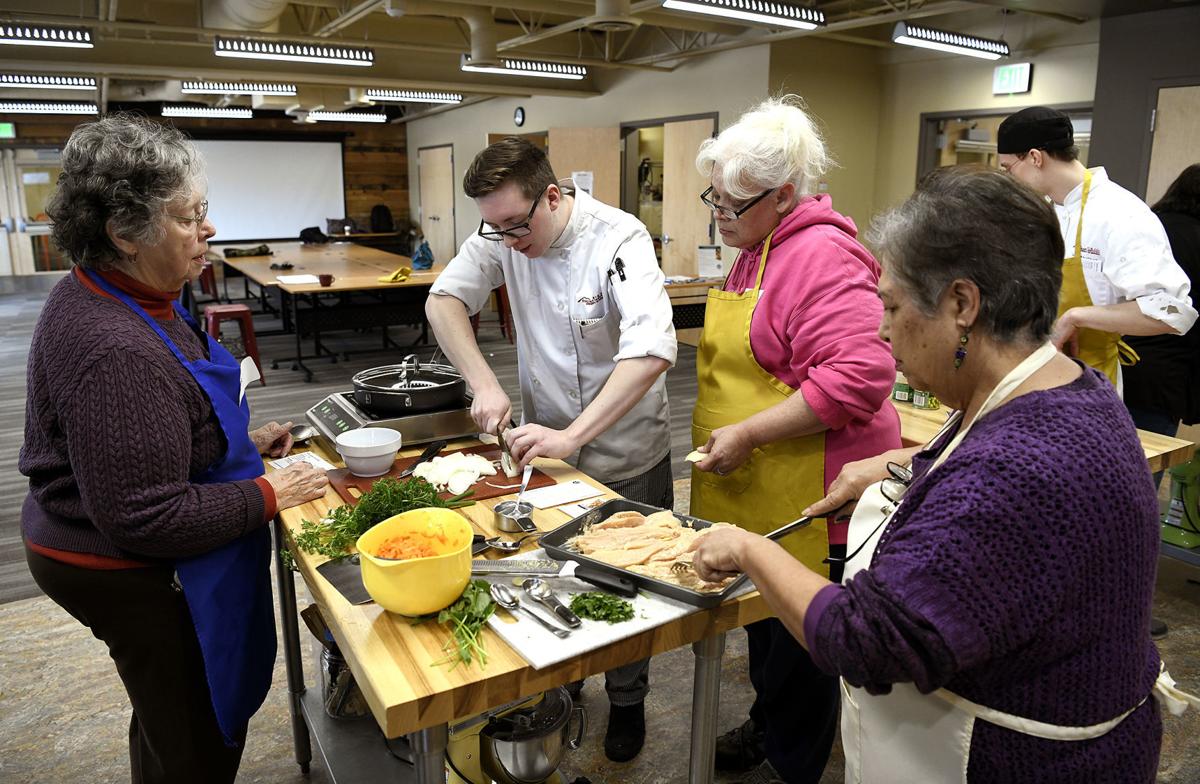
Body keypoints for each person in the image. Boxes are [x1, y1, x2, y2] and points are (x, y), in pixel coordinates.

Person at [692, 166, 1197, 783]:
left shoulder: (1014, 470)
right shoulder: (1066, 389)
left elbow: (864, 641)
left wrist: (747, 550)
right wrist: (901, 463)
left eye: (894, 306)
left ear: (962, 304)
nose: (880, 329)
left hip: (1020, 762)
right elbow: (985, 459)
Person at [20, 114, 329, 784]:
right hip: (115, 564)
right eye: (190, 217)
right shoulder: (112, 348)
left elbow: (160, 418)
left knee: (162, 705)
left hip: (107, 532)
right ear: (125, 234)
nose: (208, 230)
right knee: (194, 729)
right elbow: (144, 515)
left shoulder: (134, 293)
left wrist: (233, 441)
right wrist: (271, 491)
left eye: (204, 211)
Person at [424, 136, 676, 762]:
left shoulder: (620, 240)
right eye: (496, 229)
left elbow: (648, 352)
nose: (507, 242)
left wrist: (573, 436)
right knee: (555, 575)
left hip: (625, 449)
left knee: (626, 585)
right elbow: (444, 300)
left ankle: (628, 700)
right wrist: (484, 382)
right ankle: (564, 686)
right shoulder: (502, 232)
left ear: (554, 196)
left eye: (516, 226)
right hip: (547, 448)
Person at [688, 96, 901, 784]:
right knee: (765, 629)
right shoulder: (757, 248)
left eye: (731, 204)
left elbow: (860, 378)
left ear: (783, 196)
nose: (719, 216)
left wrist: (748, 431)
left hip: (817, 492)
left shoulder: (823, 256)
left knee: (801, 645)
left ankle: (793, 763)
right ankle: (769, 725)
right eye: (713, 199)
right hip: (759, 487)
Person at [996, 106, 1196, 389]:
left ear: (1034, 157)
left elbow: (1172, 311)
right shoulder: (1043, 211)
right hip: (1032, 377)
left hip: (1089, 385)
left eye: (1008, 168)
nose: (1009, 179)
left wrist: (1077, 317)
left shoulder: (1119, 213)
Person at [1123, 163, 1200, 441]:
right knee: (1144, 467)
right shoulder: (1195, 237)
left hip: (1115, 357)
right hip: (1167, 374)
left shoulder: (1147, 224)